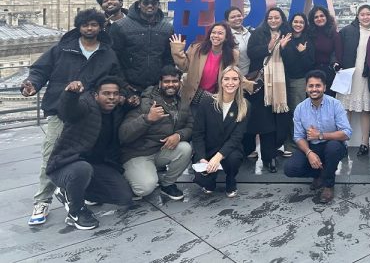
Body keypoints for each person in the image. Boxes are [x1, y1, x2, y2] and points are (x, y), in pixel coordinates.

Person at [22, 9, 121, 226]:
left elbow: (115, 79)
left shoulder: (107, 53)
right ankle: (42, 200)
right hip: (60, 109)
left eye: (94, 24)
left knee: (84, 154)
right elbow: (40, 70)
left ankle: (77, 190)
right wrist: (31, 85)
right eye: (85, 24)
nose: (89, 28)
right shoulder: (62, 48)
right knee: (52, 153)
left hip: (89, 112)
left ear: (100, 27)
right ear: (79, 27)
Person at [47, 77, 134, 230]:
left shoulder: (116, 111)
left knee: (124, 197)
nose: (111, 97)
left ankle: (71, 192)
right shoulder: (86, 106)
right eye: (106, 93)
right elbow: (67, 111)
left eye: (115, 94)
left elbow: (130, 103)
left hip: (97, 165)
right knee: (82, 169)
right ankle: (76, 211)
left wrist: (133, 99)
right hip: (66, 164)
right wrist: (70, 94)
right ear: (95, 95)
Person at [119, 65, 193, 200]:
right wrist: (147, 119)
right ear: (160, 83)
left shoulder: (182, 102)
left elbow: (190, 125)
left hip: (160, 151)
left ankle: (167, 185)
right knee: (145, 188)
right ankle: (128, 176)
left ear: (180, 83)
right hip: (138, 153)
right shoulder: (145, 102)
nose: (171, 85)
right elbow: (123, 134)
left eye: (174, 81)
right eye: (166, 81)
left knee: (186, 148)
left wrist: (179, 135)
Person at [284, 70, 352, 204]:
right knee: (290, 168)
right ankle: (319, 175)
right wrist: (309, 153)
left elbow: (346, 133)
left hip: (332, 145)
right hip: (312, 147)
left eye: (318, 85)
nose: (314, 89)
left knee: (332, 148)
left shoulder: (335, 104)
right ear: (306, 88)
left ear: (324, 87)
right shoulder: (300, 109)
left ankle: (328, 185)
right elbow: (298, 136)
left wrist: (320, 135)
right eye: (311, 86)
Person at [244, 7, 292, 172]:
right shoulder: (258, 33)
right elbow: (251, 53)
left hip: (281, 85)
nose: (273, 20)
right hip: (261, 84)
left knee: (279, 120)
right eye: (270, 18)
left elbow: (293, 59)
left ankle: (274, 151)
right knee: (264, 121)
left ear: (282, 19)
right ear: (266, 19)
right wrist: (269, 47)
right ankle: (267, 157)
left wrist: (283, 48)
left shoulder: (287, 32)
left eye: (276, 17)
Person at [192, 66, 249, 197]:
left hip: (229, 149)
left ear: (240, 82)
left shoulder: (245, 105)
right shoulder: (207, 102)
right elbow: (198, 133)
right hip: (208, 148)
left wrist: (218, 157)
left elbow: (237, 137)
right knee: (204, 181)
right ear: (221, 81)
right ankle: (210, 180)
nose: (230, 83)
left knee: (233, 159)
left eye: (235, 79)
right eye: (226, 79)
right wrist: (201, 158)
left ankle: (231, 179)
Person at [109, 0, 174, 101]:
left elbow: (168, 58)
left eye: (153, 2)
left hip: (157, 88)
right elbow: (114, 59)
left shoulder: (167, 28)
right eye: (146, 2)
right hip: (130, 87)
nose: (150, 5)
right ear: (139, 4)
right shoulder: (120, 26)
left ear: (158, 5)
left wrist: (165, 81)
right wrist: (123, 84)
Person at [337, 4, 370, 156]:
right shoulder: (347, 30)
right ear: (357, 16)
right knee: (346, 109)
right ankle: (343, 142)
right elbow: (338, 51)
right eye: (362, 14)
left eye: (368, 14)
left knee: (366, 109)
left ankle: (364, 143)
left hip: (368, 75)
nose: (365, 17)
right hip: (349, 74)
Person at [170, 22, 238, 107]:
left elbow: (234, 75)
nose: (216, 36)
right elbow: (184, 67)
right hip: (192, 96)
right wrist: (177, 50)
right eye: (213, 32)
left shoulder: (233, 55)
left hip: (214, 99)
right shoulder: (197, 48)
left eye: (220, 33)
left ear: (226, 37)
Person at [280, 12, 316, 155]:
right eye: (295, 21)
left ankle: (297, 144)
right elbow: (284, 62)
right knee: (285, 113)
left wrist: (302, 52)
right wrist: (282, 48)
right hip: (283, 80)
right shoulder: (286, 38)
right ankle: (288, 143)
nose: (298, 24)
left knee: (296, 113)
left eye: (301, 22)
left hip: (299, 80)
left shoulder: (308, 40)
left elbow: (310, 63)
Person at [307, 5, 343, 94]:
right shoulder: (309, 34)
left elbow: (339, 55)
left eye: (322, 16)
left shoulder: (334, 34)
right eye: (316, 17)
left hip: (328, 74)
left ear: (327, 17)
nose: (319, 18)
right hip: (311, 72)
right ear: (312, 20)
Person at [225, 6, 253, 76]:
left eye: (239, 16)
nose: (237, 18)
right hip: (235, 77)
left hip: (253, 75)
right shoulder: (226, 37)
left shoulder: (251, 32)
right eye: (233, 17)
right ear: (227, 21)